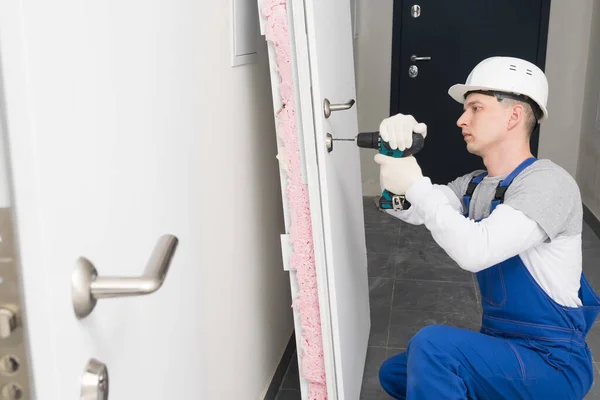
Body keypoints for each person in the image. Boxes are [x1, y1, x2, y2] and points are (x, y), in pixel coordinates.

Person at [374, 56, 600, 399]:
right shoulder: (477, 185)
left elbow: (475, 251)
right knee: (396, 373)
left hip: (552, 364)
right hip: (506, 348)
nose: (461, 119)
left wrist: (416, 184)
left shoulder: (548, 183)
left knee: (433, 347)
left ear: (514, 115)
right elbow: (407, 209)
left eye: (475, 108)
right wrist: (395, 156)